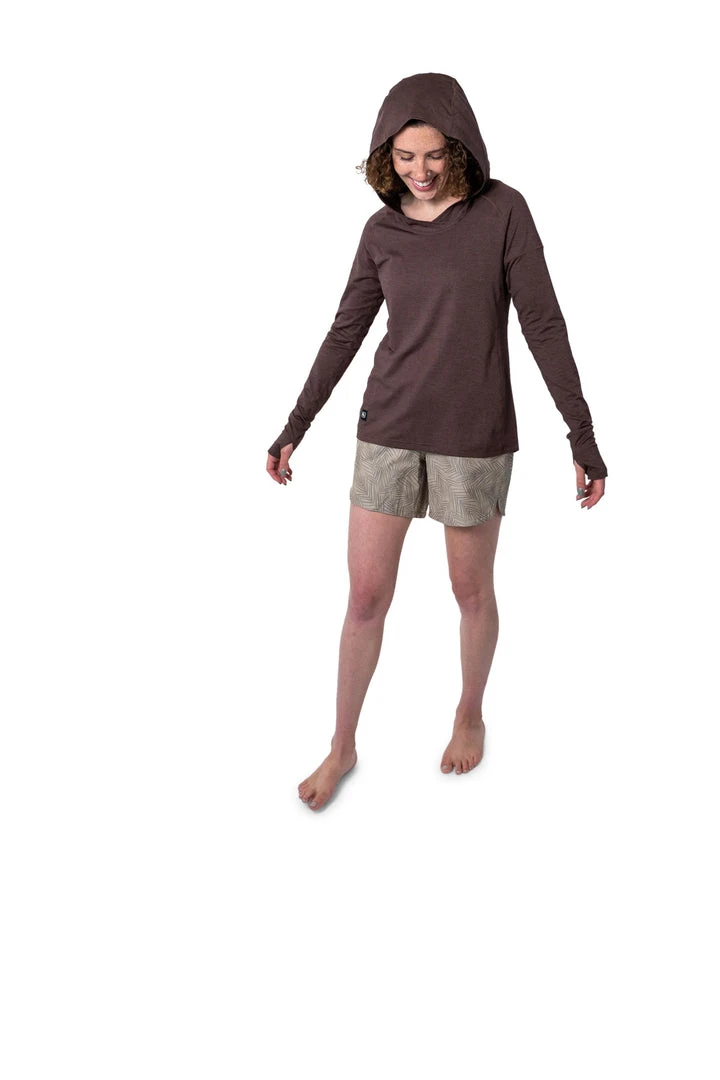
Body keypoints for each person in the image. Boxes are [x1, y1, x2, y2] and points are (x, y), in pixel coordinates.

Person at [266, 72, 607, 812]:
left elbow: (543, 325)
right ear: (385, 156)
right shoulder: (380, 231)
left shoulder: (503, 212)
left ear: (459, 148)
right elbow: (346, 331)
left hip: (473, 435)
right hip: (387, 429)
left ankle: (470, 712)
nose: (418, 171)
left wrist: (580, 435)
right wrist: (296, 425)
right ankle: (342, 745)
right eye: (403, 157)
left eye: (432, 155)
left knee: (469, 589)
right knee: (365, 596)